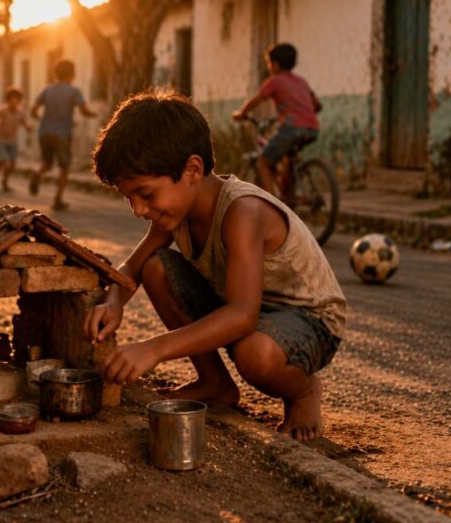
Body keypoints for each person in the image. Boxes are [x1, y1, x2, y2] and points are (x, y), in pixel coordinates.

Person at [86, 90, 346, 441]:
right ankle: (215, 383)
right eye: (128, 197)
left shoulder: (242, 212)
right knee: (155, 267)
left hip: (307, 319)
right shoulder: (174, 212)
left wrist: (153, 349)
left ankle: (302, 391)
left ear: (192, 169)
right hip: (246, 309)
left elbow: (242, 316)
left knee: (254, 354)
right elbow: (133, 266)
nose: (139, 210)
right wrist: (113, 300)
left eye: (145, 194)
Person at [231, 43, 322, 203]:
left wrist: (241, 113)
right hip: (312, 128)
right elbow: (318, 106)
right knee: (286, 158)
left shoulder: (275, 81)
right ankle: (289, 196)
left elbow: (256, 101)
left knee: (263, 161)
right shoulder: (302, 82)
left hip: (291, 128)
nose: (268, 67)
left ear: (276, 64)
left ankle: (273, 204)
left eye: (269, 63)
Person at [29, 60, 96, 211]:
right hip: (62, 134)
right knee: (64, 167)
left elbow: (33, 109)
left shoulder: (48, 90)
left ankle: (37, 174)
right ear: (72, 74)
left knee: (47, 163)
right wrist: (94, 114)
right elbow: (84, 111)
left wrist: (42, 120)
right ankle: (58, 199)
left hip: (44, 131)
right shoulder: (74, 91)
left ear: (55, 74)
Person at [0, 87, 32, 192]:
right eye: (13, 99)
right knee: (7, 162)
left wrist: (28, 128)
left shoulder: (20, 113)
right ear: (9, 100)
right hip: (1, 140)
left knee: (12, 165)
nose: (16, 101)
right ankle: (1, 165)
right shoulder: (3, 110)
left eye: (18, 99)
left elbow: (25, 123)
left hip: (12, 141)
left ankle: (4, 179)